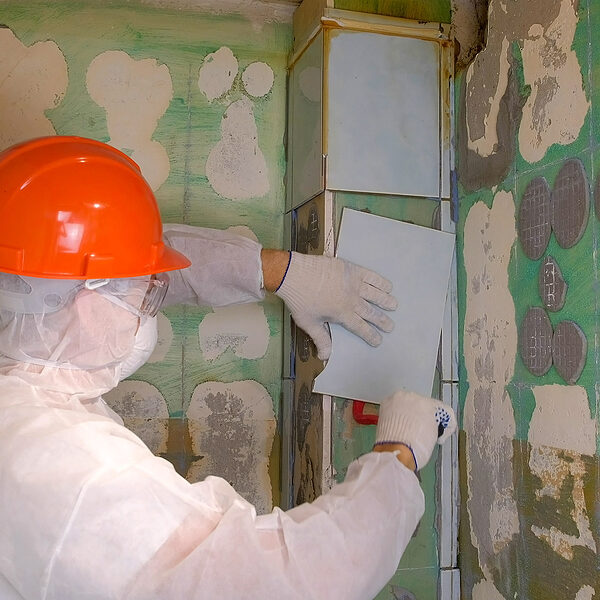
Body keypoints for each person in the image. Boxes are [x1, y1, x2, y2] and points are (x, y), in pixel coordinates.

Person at [0, 136, 456, 600]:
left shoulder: (25, 335)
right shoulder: (63, 471)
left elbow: (124, 259)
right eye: (145, 291)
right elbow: (282, 584)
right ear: (88, 302)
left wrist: (286, 272)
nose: (151, 302)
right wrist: (398, 458)